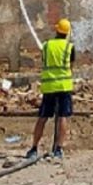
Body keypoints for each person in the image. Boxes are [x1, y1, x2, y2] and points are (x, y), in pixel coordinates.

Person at [26, 18, 75, 161]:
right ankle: (58, 149)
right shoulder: (69, 47)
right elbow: (70, 67)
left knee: (42, 117)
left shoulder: (46, 46)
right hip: (64, 87)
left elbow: (44, 62)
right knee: (62, 117)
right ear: (67, 33)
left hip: (48, 87)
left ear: (56, 30)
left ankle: (34, 148)